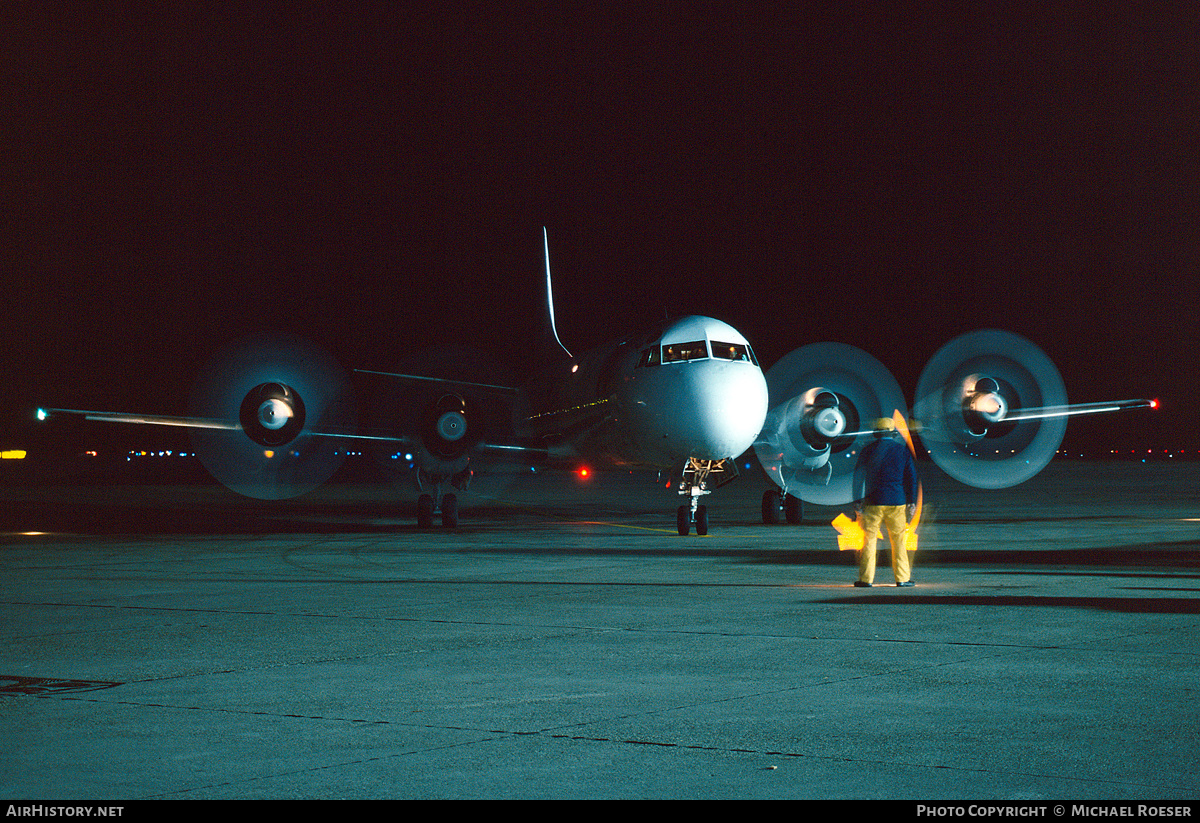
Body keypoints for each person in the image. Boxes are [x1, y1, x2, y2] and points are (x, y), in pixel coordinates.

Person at [852, 417, 919, 588]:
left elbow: (858, 477)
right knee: (899, 541)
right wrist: (911, 501)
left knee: (869, 542)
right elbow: (911, 478)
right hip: (897, 501)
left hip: (873, 501)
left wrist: (857, 499)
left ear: (876, 433)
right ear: (893, 433)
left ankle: (866, 580)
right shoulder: (901, 451)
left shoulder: (868, 450)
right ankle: (902, 579)